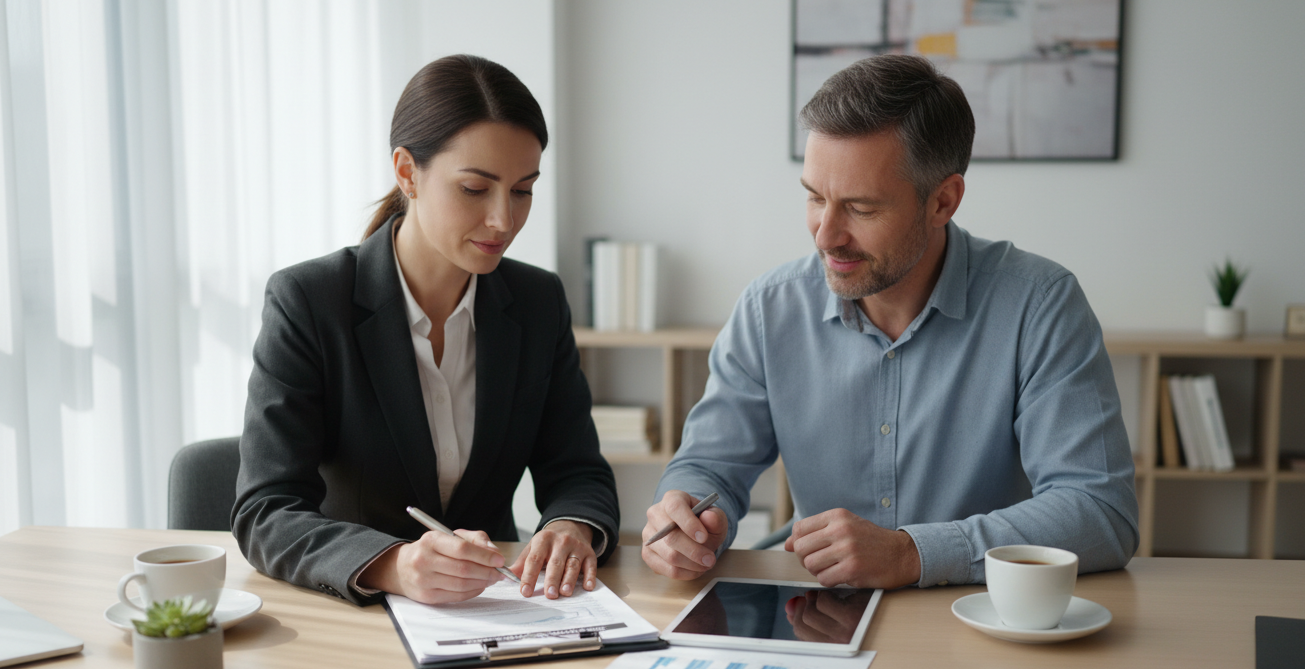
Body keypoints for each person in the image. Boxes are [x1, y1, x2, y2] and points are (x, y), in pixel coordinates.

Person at [642, 55, 1137, 589]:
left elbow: (1100, 511)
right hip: (819, 613)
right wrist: (684, 513)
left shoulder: (1039, 305)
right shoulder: (769, 309)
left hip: (981, 616)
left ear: (942, 201)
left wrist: (912, 554)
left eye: (860, 208)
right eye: (814, 197)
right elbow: (709, 467)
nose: (825, 236)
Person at [234, 55, 618, 606]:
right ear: (408, 172)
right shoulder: (309, 301)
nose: (503, 221)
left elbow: (578, 470)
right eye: (474, 189)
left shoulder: (538, 303)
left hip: (494, 616)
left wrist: (571, 526)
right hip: (350, 618)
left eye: (522, 190)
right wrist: (392, 563)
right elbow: (264, 511)